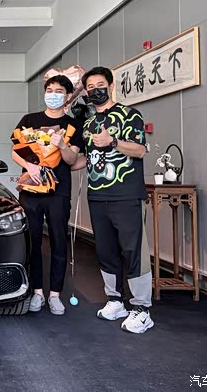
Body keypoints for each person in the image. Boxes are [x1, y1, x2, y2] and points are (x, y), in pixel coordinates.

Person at [73, 66, 153, 334]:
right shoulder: (88, 124)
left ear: (111, 86)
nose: (95, 90)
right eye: (90, 87)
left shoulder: (130, 115)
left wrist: (112, 141)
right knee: (105, 251)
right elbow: (85, 159)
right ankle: (116, 300)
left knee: (133, 251)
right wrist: (61, 155)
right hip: (97, 196)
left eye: (100, 85)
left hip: (127, 195)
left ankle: (142, 309)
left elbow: (140, 150)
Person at [12, 74, 83, 315]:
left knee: (58, 241)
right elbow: (15, 151)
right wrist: (29, 166)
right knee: (31, 241)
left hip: (58, 192)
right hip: (31, 190)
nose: (53, 95)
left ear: (68, 96)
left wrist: (62, 145)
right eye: (49, 90)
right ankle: (36, 292)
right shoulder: (29, 120)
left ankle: (55, 294)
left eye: (59, 91)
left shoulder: (73, 125)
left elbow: (72, 159)